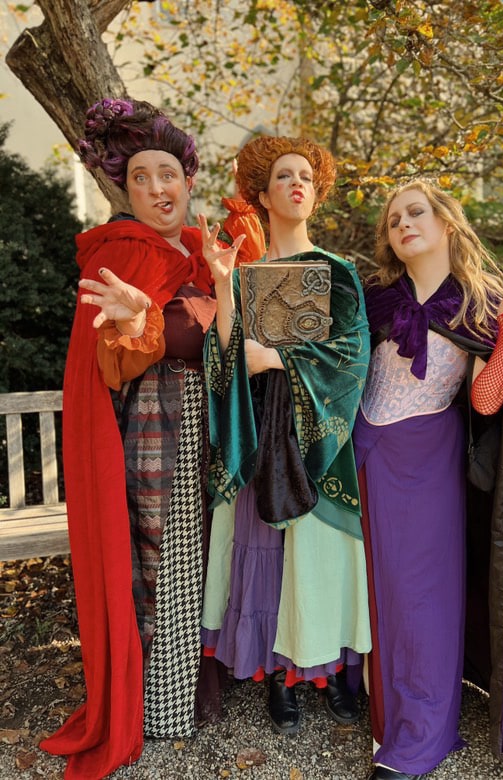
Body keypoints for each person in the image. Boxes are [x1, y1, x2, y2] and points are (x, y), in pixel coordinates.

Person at [40, 98, 265, 779]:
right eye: (141, 178)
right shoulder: (122, 254)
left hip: (209, 419)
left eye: (168, 173)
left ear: (189, 179)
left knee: (203, 555)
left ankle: (200, 684)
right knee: (162, 560)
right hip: (155, 421)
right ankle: (162, 706)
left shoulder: (197, 252)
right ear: (126, 190)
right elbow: (112, 364)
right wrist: (137, 324)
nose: (158, 189)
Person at [353, 178, 503, 780]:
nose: (403, 225)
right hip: (362, 453)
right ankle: (379, 714)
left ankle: (420, 737)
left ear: (446, 222)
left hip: (424, 458)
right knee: (373, 592)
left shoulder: (478, 302)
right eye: (394, 220)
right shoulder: (377, 300)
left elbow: (488, 399)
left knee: (421, 598)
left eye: (415, 213)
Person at [198, 135, 372, 736]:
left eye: (305, 176)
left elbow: (352, 359)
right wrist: (222, 286)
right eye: (282, 177)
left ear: (315, 195)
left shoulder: (338, 272)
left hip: (318, 435)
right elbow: (222, 365)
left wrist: (275, 359)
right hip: (261, 433)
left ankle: (328, 671)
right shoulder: (245, 277)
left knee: (317, 558)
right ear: (263, 195)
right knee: (271, 557)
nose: (296, 183)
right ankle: (279, 672)